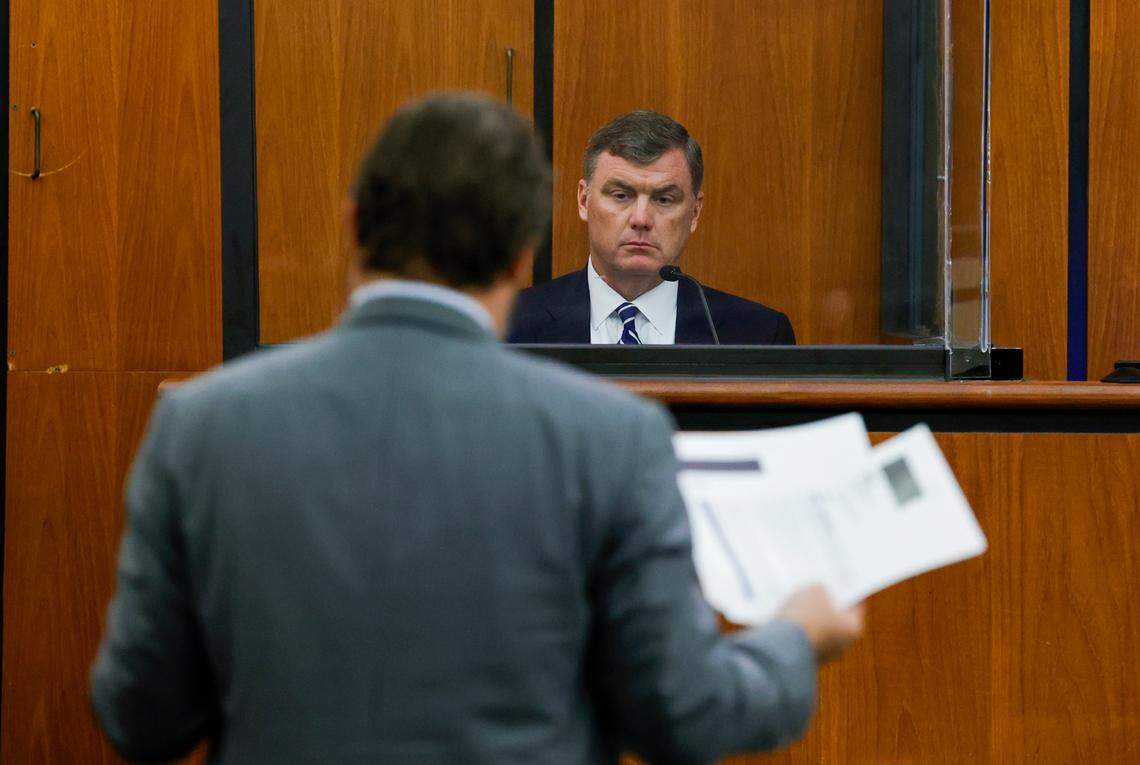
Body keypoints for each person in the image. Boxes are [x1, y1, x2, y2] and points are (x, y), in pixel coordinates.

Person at [90, 93, 860, 764]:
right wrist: (797, 636)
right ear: (524, 246)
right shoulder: (610, 438)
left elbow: (142, 716)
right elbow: (682, 715)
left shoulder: (200, 425)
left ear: (354, 224)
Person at [508, 110, 795, 345]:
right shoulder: (510, 325)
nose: (641, 219)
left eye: (664, 199)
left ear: (695, 211)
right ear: (584, 201)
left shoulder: (757, 335)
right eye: (621, 195)